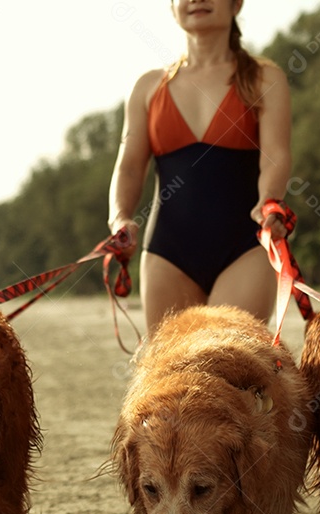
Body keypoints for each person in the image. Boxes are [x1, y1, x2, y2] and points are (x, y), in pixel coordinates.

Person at [108, 0, 292, 335]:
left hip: (246, 246)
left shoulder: (265, 79)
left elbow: (275, 156)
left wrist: (269, 202)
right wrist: (120, 219)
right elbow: (129, 167)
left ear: (236, 4)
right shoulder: (148, 87)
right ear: (172, 7)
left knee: (232, 359)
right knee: (171, 364)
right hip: (167, 253)